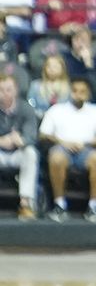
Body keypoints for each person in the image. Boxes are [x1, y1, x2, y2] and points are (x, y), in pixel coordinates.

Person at [39, 77, 96, 221]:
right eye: (75, 91)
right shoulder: (56, 110)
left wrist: (86, 143)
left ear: (88, 93)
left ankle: (94, 206)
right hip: (62, 148)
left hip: (87, 148)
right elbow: (43, 134)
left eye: (82, 91)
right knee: (56, 159)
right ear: (70, 92)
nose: (78, 94)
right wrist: (63, 142)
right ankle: (59, 205)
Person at [0, 73, 40, 220]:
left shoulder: (26, 108)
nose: (4, 93)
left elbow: (31, 136)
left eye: (8, 89)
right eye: (1, 90)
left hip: (18, 152)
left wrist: (21, 140)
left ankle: (26, 204)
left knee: (31, 153)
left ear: (16, 90)